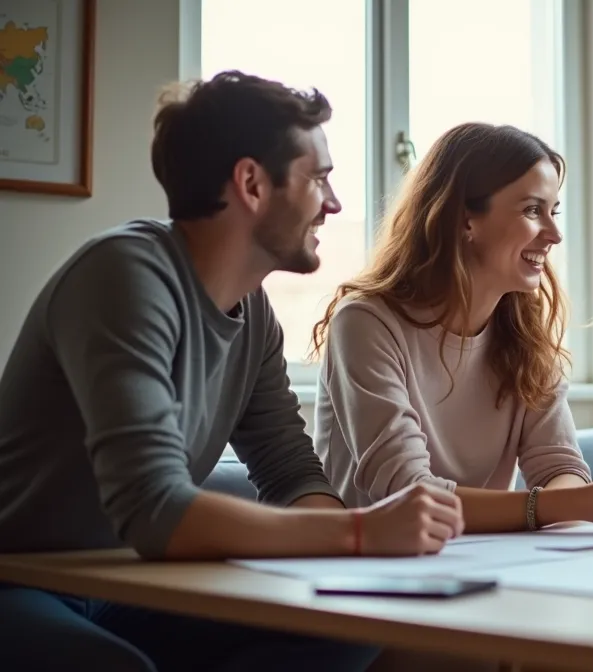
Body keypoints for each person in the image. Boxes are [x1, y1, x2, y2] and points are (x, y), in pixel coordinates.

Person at [0, 71, 467, 671]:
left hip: (131, 584)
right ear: (250, 183)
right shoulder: (123, 275)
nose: (335, 203)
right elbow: (155, 508)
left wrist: (363, 566)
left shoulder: (254, 314)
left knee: (355, 627)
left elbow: (289, 471)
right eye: (318, 177)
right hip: (22, 582)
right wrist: (360, 533)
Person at [310, 122, 593, 534]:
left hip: (487, 565)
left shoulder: (523, 332)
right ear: (466, 219)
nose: (554, 234)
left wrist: (588, 499)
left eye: (553, 211)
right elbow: (408, 492)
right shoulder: (365, 324)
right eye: (532, 210)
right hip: (375, 573)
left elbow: (559, 466)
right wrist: (578, 502)